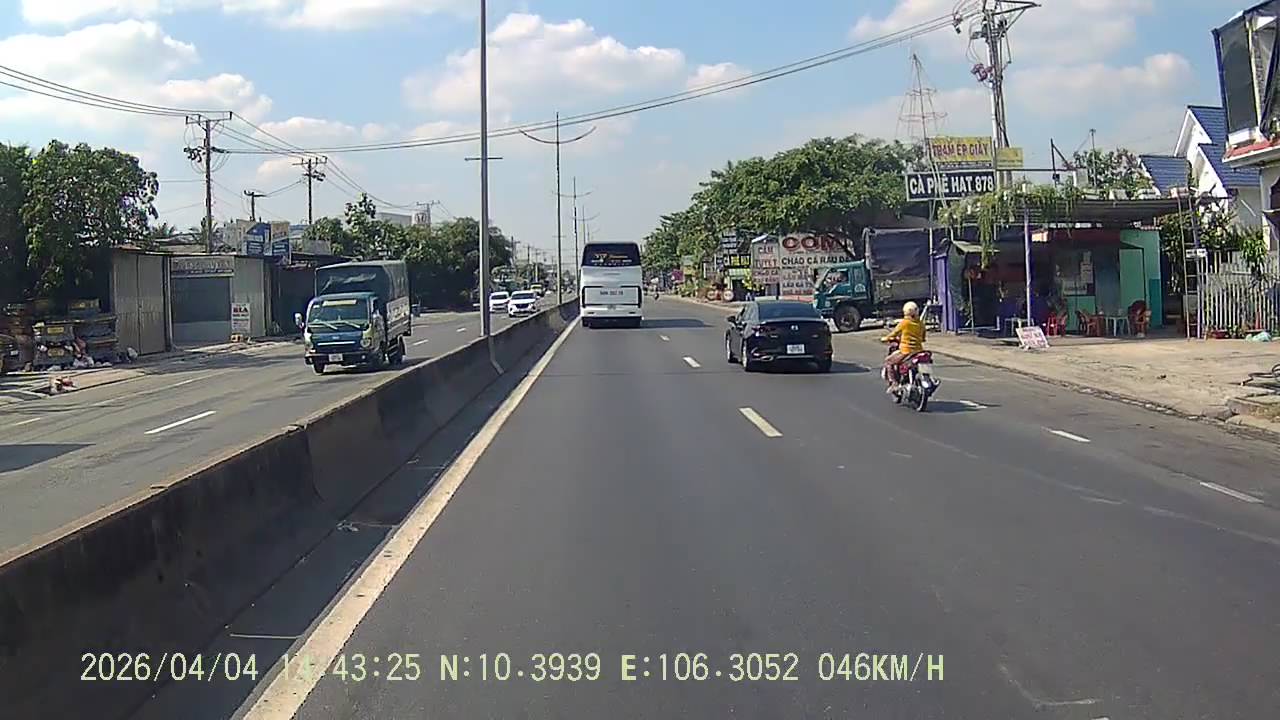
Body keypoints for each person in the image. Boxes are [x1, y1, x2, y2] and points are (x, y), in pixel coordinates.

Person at [881, 301, 926, 390]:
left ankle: (894, 383)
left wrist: (885, 338)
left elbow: (894, 333)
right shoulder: (921, 323)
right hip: (919, 350)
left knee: (888, 361)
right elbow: (923, 338)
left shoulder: (904, 323)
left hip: (906, 351)